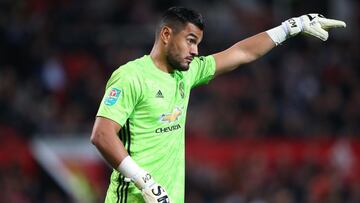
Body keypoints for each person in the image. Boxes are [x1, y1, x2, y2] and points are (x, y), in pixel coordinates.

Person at [90, 7, 345, 203]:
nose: (196, 51)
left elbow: (242, 53)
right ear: (166, 34)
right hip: (133, 198)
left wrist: (291, 27)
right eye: (190, 40)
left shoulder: (185, 74)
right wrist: (144, 181)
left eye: (198, 43)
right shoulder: (131, 76)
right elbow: (102, 135)